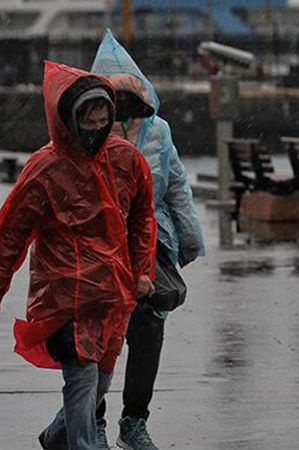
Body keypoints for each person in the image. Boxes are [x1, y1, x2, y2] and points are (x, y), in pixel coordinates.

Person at [0, 61, 157, 450]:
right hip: (66, 296)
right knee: (84, 378)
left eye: (102, 119)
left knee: (99, 380)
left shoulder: (124, 160)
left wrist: (143, 271)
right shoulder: (46, 169)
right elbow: (11, 232)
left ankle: (59, 435)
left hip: (113, 293)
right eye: (88, 120)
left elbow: (143, 216)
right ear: (69, 119)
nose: (95, 128)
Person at [90, 29, 206, 450]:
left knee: (147, 336)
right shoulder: (88, 131)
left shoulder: (160, 133)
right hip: (100, 252)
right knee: (98, 340)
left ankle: (134, 421)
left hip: (151, 249)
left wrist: (188, 240)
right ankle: (91, 421)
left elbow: (176, 187)